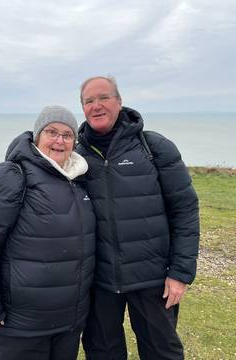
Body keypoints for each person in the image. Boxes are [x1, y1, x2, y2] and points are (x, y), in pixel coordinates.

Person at [76, 76, 200, 360]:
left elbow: (185, 210)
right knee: (102, 352)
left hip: (152, 278)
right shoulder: (76, 156)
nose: (96, 106)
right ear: (82, 108)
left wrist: (180, 273)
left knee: (161, 352)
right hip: (100, 282)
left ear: (119, 102)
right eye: (88, 101)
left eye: (103, 97)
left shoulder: (154, 147)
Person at [0, 105, 96, 360]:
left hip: (68, 323)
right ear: (37, 137)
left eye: (67, 135)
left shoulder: (78, 180)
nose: (59, 140)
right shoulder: (11, 176)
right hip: (21, 326)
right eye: (51, 132)